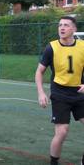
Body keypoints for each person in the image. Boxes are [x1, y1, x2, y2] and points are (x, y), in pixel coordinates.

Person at [35, 16, 84, 165]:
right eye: (60, 25)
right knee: (62, 132)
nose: (62, 28)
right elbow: (39, 72)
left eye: (66, 25)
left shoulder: (82, 46)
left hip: (79, 93)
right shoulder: (52, 47)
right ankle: (53, 162)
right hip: (60, 93)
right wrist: (41, 92)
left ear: (74, 29)